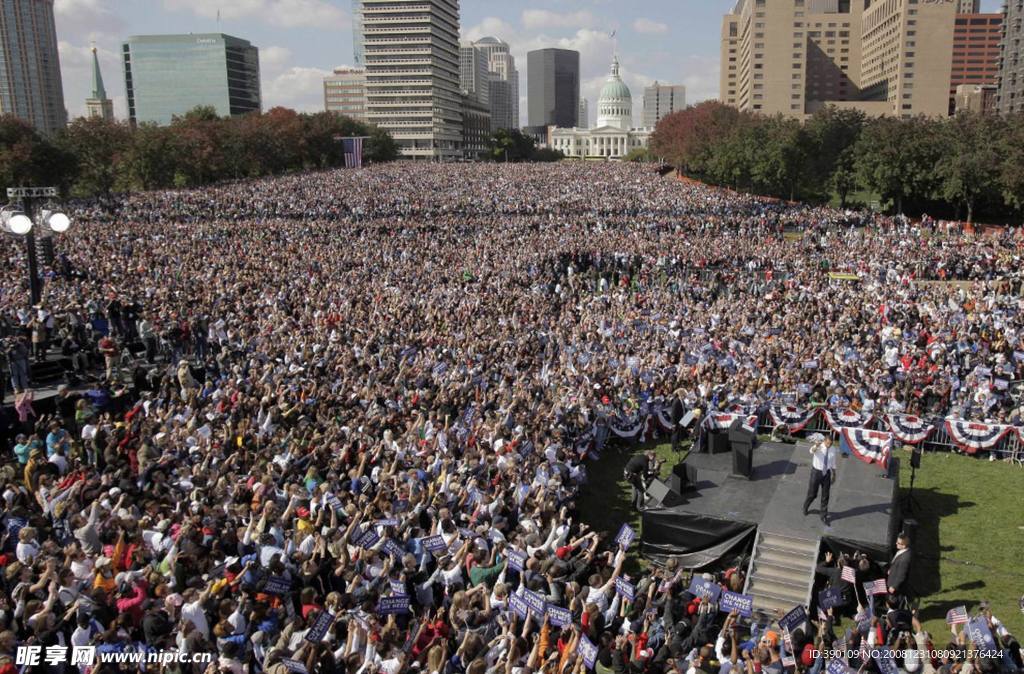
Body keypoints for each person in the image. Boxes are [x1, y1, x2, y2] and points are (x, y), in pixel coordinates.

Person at [802, 434, 837, 525]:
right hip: (816, 472)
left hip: (827, 473)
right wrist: (816, 446)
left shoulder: (833, 449)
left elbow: (833, 462)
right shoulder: (818, 446)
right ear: (824, 441)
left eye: (831, 443)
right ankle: (806, 506)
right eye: (828, 443)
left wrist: (834, 474)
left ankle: (823, 515)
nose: (829, 445)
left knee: (826, 495)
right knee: (812, 494)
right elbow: (811, 451)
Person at [887, 533, 913, 605]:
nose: (896, 543)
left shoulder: (905, 559)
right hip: (893, 577)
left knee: (894, 601)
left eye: (898, 543)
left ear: (904, 545)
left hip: (896, 587)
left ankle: (896, 611)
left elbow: (902, 575)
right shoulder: (902, 551)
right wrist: (891, 570)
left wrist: (894, 586)